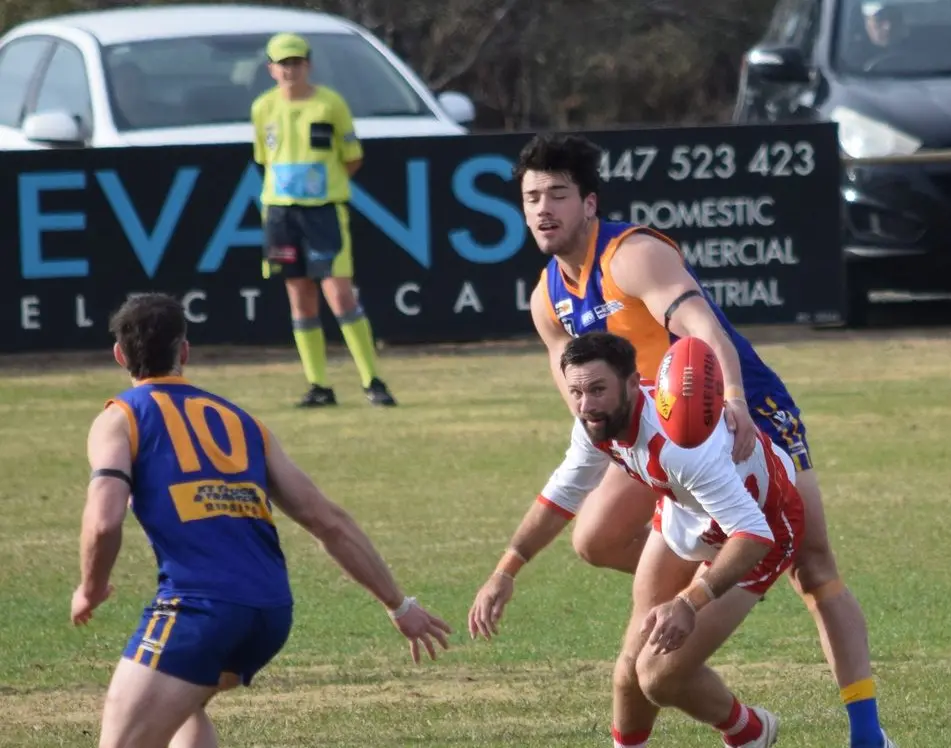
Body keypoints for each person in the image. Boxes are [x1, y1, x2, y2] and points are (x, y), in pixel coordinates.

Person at [472, 132, 890, 746]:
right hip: (657, 433)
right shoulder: (547, 298)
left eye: (557, 194)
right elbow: (578, 396)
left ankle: (867, 732)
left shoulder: (631, 255)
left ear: (589, 203)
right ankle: (726, 566)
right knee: (593, 538)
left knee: (814, 564)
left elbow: (700, 324)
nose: (542, 209)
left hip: (743, 409)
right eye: (532, 196)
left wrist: (738, 402)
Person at [73, 293, 450, 747]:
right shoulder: (241, 421)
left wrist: (91, 588)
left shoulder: (121, 416)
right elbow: (327, 520)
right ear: (184, 351)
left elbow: (103, 522)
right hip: (269, 612)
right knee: (184, 707)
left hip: (199, 608)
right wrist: (398, 604)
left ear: (119, 355)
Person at [473, 332, 826, 747]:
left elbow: (753, 535)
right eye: (576, 392)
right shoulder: (595, 422)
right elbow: (561, 495)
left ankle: (749, 731)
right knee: (628, 672)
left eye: (598, 389)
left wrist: (689, 601)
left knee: (658, 676)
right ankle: (746, 732)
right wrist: (506, 569)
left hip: (760, 528)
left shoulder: (681, 446)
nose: (586, 405)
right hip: (685, 515)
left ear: (630, 382)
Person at [252, 32, 396, 408]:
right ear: (271, 68)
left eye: (297, 62)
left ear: (308, 65)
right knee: (300, 297)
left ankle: (372, 380)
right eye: (283, 63)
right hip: (281, 211)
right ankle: (319, 385)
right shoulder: (262, 107)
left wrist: (322, 187)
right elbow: (262, 158)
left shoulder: (331, 104)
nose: (290, 70)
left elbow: (352, 157)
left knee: (340, 294)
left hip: (324, 210)